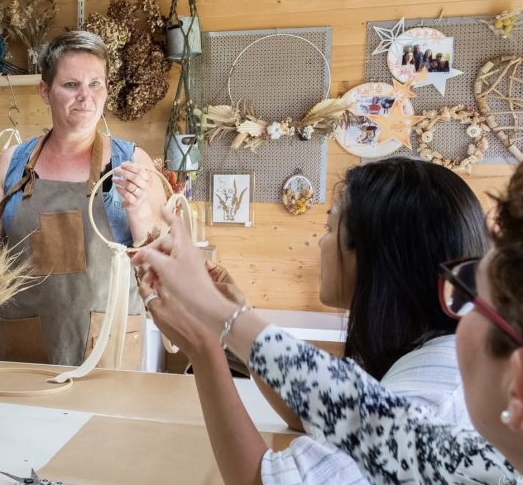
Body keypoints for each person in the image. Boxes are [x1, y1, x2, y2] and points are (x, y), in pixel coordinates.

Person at [132, 163, 523, 484]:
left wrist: (205, 344)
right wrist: (231, 318)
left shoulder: (437, 390)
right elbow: (338, 414)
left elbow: (268, 479)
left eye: (329, 226)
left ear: (376, 257)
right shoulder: (451, 436)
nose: (460, 306)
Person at [0, 31, 166, 367]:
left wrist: (139, 214)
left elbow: (162, 268)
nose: (86, 96)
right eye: (71, 84)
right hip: (24, 348)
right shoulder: (14, 163)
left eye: (96, 84)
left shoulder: (131, 164)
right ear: (44, 90)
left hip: (105, 349)